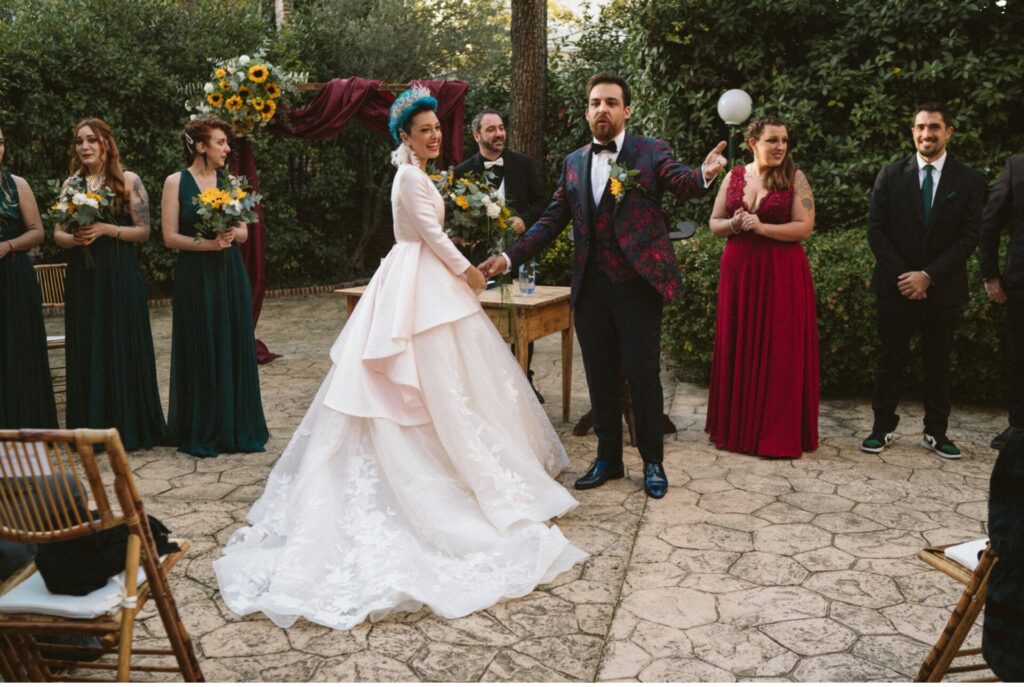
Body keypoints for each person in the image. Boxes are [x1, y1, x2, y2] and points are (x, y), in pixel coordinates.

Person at [214, 86, 586, 631]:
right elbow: (431, 235)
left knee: (450, 383)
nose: (435, 136)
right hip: (418, 279)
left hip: (422, 279)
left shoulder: (424, 174)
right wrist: (469, 271)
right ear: (405, 137)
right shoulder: (410, 177)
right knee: (417, 379)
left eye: (438, 129)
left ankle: (459, 464)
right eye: (425, 131)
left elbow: (433, 229)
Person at [481, 72, 727, 498]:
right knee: (600, 376)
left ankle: (652, 461)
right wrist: (507, 258)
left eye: (611, 102)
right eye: (595, 102)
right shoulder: (573, 162)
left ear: (626, 110)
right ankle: (608, 458)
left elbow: (679, 179)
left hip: (637, 285)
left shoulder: (650, 151)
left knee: (642, 374)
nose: (602, 109)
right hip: (591, 287)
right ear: (586, 110)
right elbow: (551, 221)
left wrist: (703, 174)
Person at [861, 102, 985, 459]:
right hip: (894, 286)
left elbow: (969, 237)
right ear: (912, 132)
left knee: (939, 363)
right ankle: (881, 428)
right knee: (890, 360)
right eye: (919, 127)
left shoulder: (970, 180)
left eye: (933, 127)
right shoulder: (890, 173)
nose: (925, 134)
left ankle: (936, 432)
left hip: (943, 289)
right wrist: (906, 277)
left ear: (949, 132)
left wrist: (928, 276)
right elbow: (876, 230)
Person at [705, 115, 819, 458]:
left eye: (784, 140)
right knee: (738, 341)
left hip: (782, 273)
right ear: (753, 142)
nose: (780, 147)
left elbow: (804, 227)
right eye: (773, 140)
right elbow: (714, 224)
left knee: (780, 348)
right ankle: (737, 431)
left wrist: (762, 228)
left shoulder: (795, 179)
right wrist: (736, 224)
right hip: (740, 272)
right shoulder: (735, 176)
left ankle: (776, 433)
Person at [52, 119, 165, 449]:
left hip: (119, 275)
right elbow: (57, 234)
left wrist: (106, 229)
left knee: (120, 341)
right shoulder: (71, 184)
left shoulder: (128, 181)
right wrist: (74, 238)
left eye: (92, 140)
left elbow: (143, 232)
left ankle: (130, 426)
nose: (84, 147)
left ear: (106, 145)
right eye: (79, 141)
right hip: (84, 277)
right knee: (88, 344)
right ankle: (91, 427)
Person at [161, 117, 268, 457]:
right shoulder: (175, 182)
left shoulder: (230, 182)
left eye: (226, 143)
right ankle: (203, 426)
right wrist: (207, 244)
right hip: (195, 274)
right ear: (201, 146)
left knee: (231, 341)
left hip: (228, 273)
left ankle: (236, 426)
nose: (227, 148)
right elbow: (169, 237)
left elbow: (244, 233)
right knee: (201, 342)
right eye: (220, 142)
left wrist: (229, 233)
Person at [455, 109, 548, 401]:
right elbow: (455, 219)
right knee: (481, 323)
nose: (499, 134)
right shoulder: (462, 172)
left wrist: (525, 220)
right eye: (491, 129)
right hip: (479, 261)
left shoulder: (522, 164)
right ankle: (486, 386)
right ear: (476, 135)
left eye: (501, 128)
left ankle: (524, 378)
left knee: (521, 320)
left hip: (518, 257)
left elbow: (544, 202)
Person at [0, 125, 58, 429]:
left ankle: (27, 422)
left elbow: (37, 231)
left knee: (20, 345)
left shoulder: (16, 184)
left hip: (14, 275)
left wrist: (7, 246)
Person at [978, 154, 1024, 450]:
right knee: (1020, 357)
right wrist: (990, 275)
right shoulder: (1017, 167)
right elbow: (989, 223)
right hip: (1022, 282)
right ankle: (1019, 427)